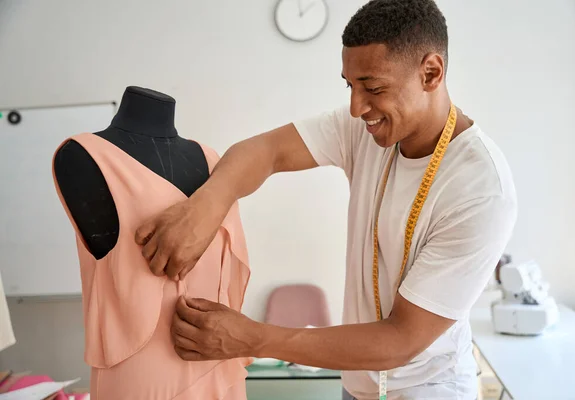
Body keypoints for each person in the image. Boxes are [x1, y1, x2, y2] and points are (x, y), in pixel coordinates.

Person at [134, 0, 518, 399]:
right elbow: (266, 150)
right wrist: (207, 205)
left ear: (431, 73)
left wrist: (252, 338)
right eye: (349, 86)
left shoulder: (481, 189)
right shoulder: (365, 130)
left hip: (429, 389)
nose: (357, 107)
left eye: (373, 88)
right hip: (357, 385)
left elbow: (401, 339)